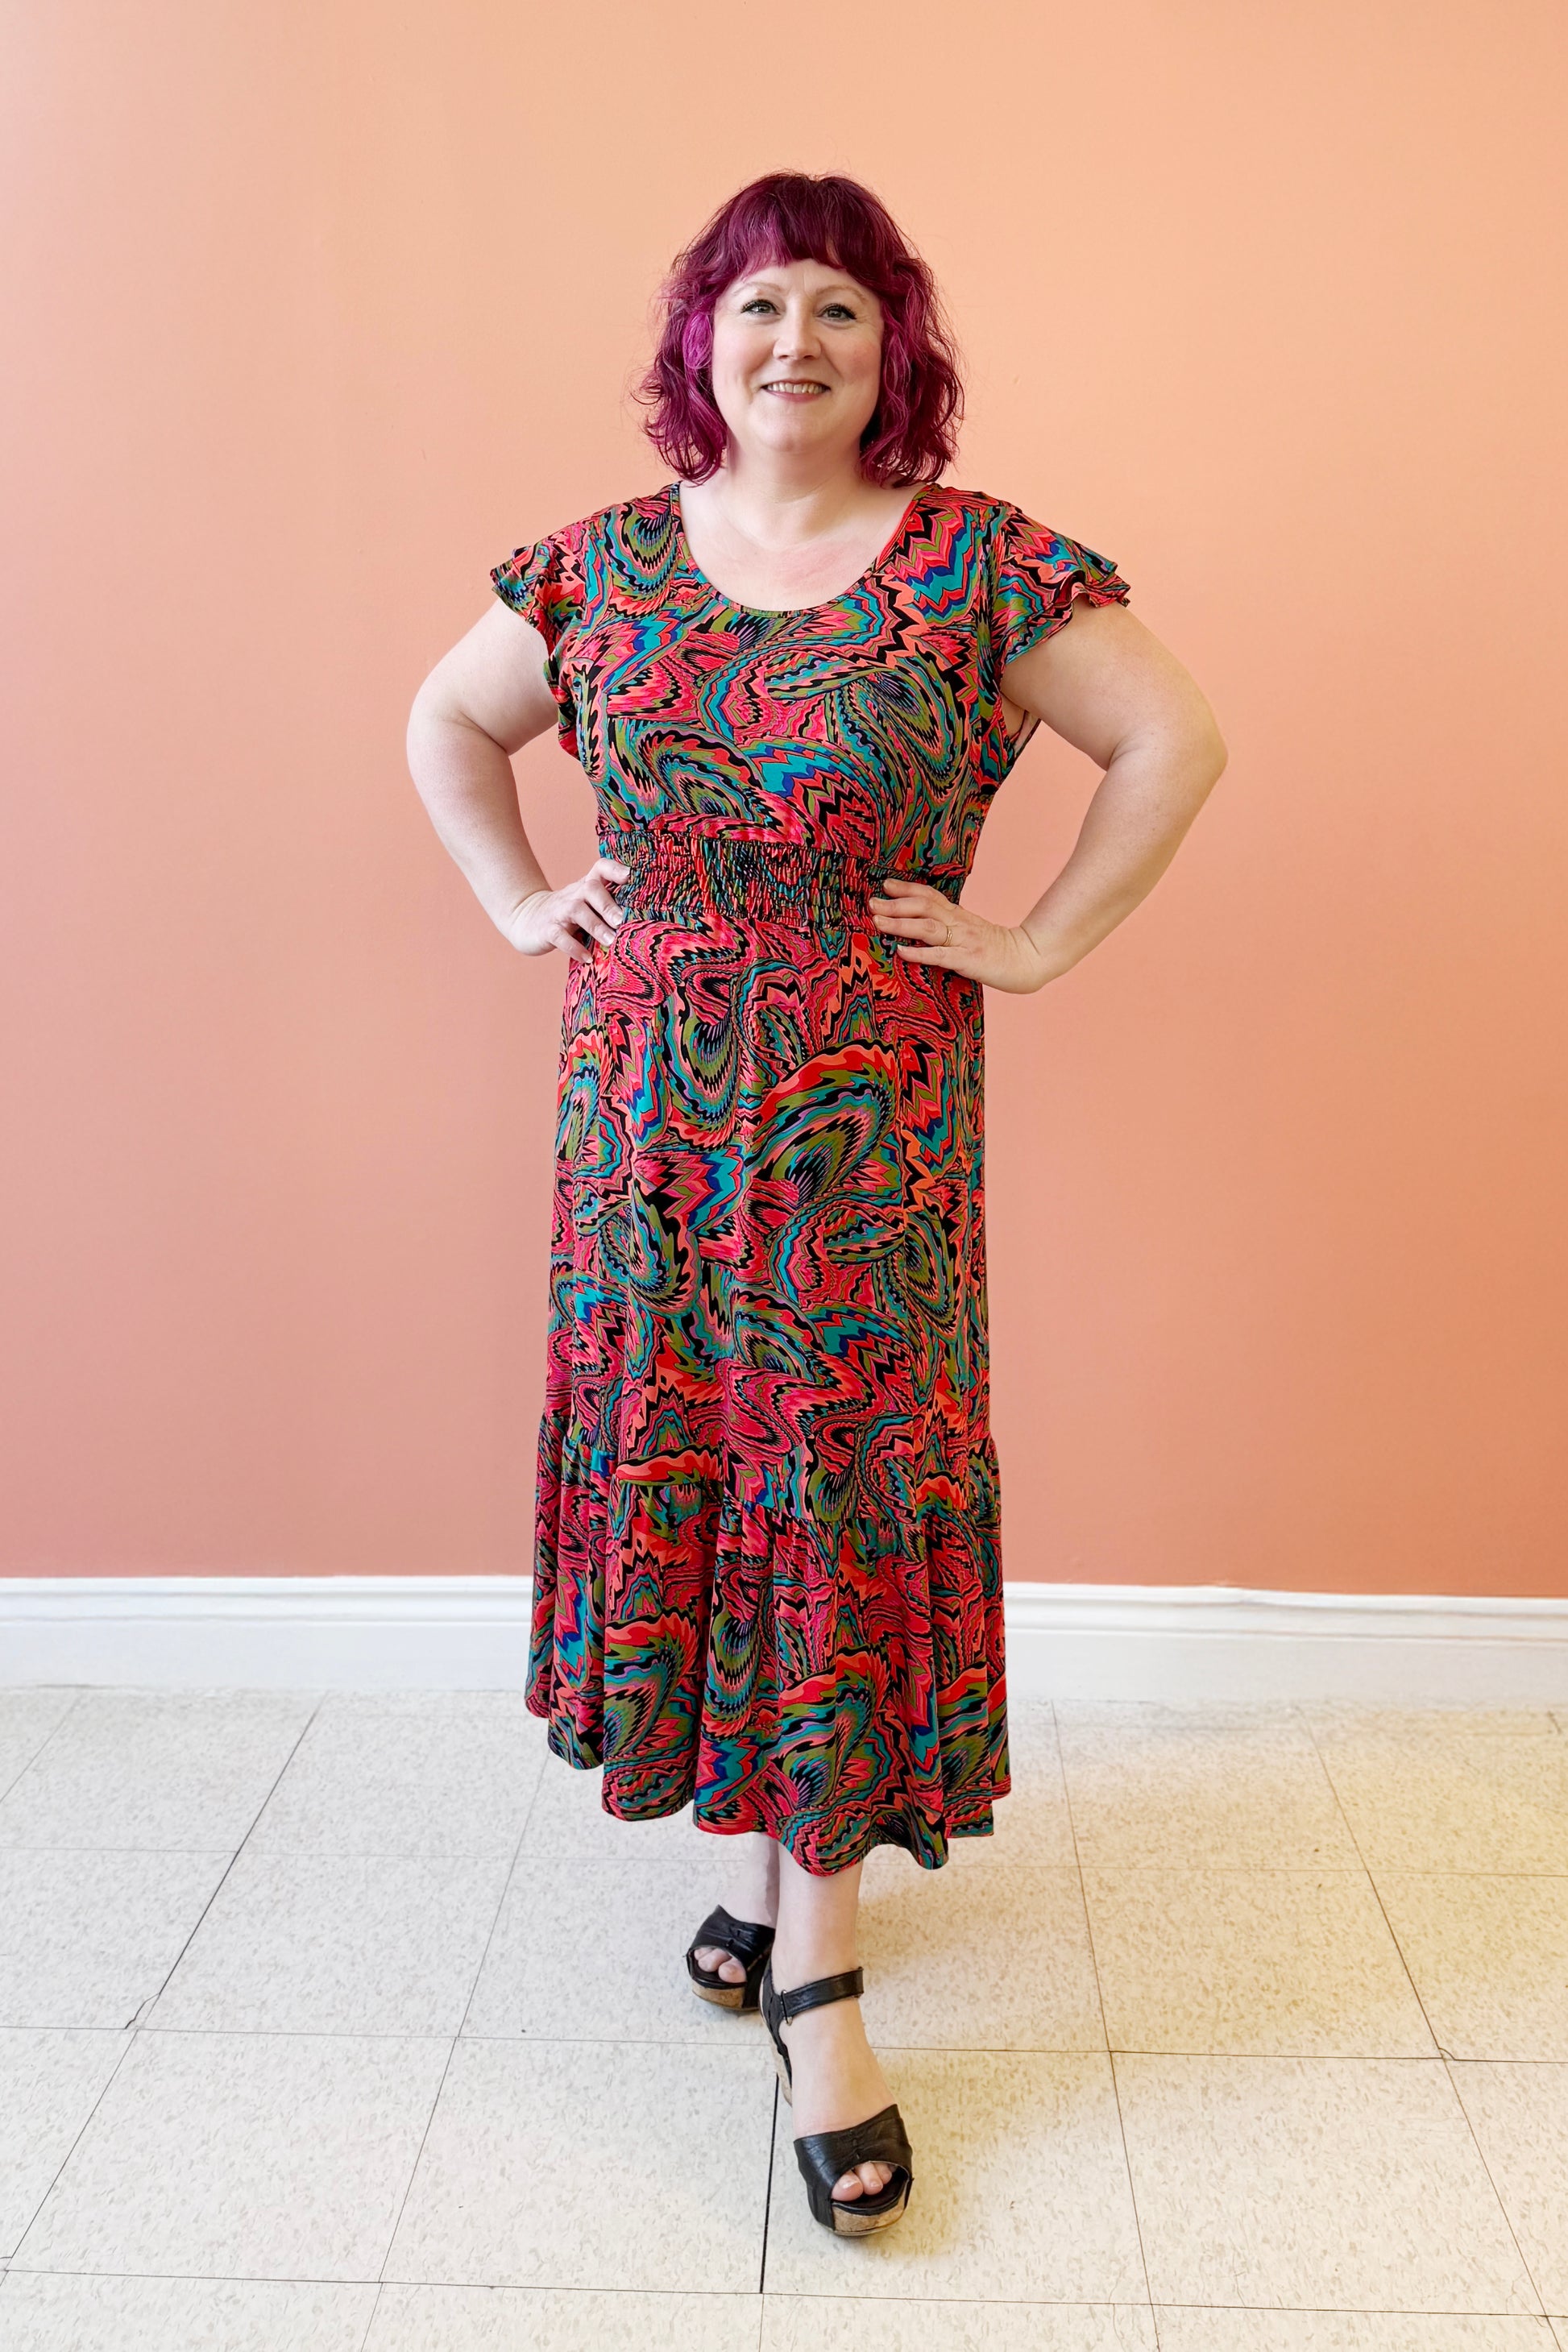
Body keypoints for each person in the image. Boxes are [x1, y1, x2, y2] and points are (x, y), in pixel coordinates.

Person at [407, 168, 1226, 2238]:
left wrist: (1034, 941)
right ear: (702, 337)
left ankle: (823, 1982)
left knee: (836, 1482)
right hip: (642, 1140)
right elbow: (448, 720)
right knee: (703, 1453)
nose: (796, 341)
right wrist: (518, 897)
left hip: (865, 1150)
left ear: (893, 351)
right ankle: (764, 1860)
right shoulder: (601, 566)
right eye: (760, 302)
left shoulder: (978, 568)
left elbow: (1172, 738)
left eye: (841, 309)